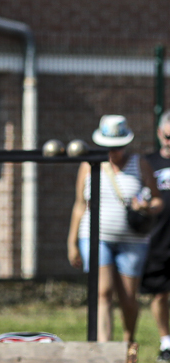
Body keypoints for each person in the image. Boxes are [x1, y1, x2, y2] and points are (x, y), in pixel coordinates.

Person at [67, 115, 162, 342]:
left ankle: (129, 343)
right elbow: (80, 205)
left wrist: (147, 206)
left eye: (117, 147)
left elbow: (158, 200)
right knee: (103, 292)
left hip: (132, 241)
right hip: (96, 237)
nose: (113, 152)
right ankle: (104, 347)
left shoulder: (140, 164)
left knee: (128, 298)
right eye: (108, 147)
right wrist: (72, 243)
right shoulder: (88, 166)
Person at [141, 112, 170, 363]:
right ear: (160, 133)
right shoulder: (148, 163)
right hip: (158, 239)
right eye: (168, 136)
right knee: (160, 294)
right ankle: (166, 343)